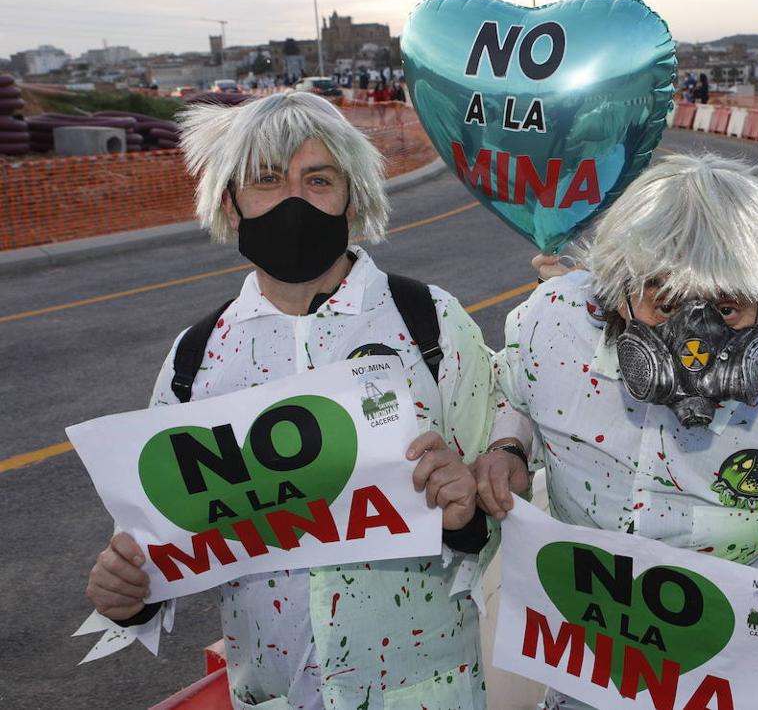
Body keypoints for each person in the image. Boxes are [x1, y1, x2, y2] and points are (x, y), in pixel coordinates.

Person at [82, 92, 496, 709]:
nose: (294, 201)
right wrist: (129, 593)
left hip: (424, 690)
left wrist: (470, 519)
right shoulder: (197, 360)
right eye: (267, 181)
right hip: (273, 692)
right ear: (231, 202)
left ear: (351, 199)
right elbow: (161, 544)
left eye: (318, 180)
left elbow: (504, 500)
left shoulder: (431, 324)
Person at [478, 154, 758, 709]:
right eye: (667, 303)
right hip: (587, 688)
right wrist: (509, 444)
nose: (694, 340)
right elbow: (516, 385)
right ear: (619, 288)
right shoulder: (552, 323)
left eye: (726, 309)